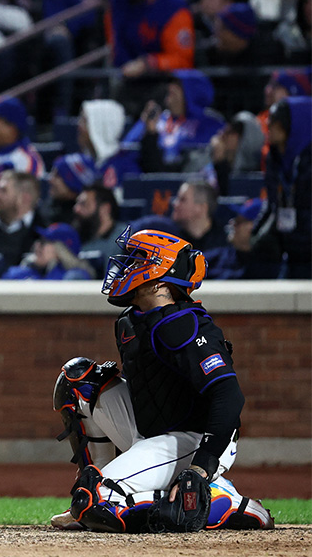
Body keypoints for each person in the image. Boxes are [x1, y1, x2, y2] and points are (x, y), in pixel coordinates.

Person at [50, 226, 275, 533]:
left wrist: (201, 465)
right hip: (153, 430)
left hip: (195, 439)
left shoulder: (184, 323)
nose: (126, 265)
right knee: (79, 382)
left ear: (159, 275)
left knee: (98, 503)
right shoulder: (135, 319)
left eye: (137, 259)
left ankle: (222, 500)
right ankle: (95, 487)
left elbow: (229, 396)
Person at [107, 0, 194, 78]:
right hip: (123, 74)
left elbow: (182, 61)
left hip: (161, 80)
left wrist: (150, 63)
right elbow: (115, 40)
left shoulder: (174, 8)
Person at [124, 70, 225, 174]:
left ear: (193, 91)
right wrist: (148, 131)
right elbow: (127, 148)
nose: (170, 87)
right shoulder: (155, 119)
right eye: (171, 83)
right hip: (149, 178)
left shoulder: (208, 123)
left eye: (177, 84)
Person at [258, 96, 311, 279]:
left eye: (274, 122)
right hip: (289, 250)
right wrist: (255, 234)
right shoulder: (274, 158)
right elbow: (272, 203)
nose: (268, 126)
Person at [208, 198, 282, 280]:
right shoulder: (214, 260)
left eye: (240, 221)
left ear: (256, 227)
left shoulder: (270, 267)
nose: (233, 224)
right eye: (235, 219)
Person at [0, 222, 94, 280]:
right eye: (38, 241)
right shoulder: (22, 271)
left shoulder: (74, 277)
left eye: (44, 242)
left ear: (62, 251)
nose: (37, 246)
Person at [73, 184, 125, 278]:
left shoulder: (124, 238)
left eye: (84, 204)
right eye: (77, 204)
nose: (76, 209)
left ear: (105, 209)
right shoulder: (79, 237)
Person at [43, 153, 98, 226]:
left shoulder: (78, 224)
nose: (50, 179)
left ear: (73, 187)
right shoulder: (50, 203)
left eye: (57, 176)